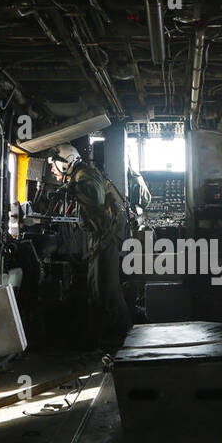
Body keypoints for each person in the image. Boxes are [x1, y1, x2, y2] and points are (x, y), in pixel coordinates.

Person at [48, 139, 132, 344]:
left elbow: (96, 196)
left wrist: (71, 189)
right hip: (102, 236)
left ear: (66, 162)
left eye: (54, 165)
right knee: (98, 287)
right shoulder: (80, 175)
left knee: (106, 289)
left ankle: (121, 338)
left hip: (108, 236)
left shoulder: (85, 175)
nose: (52, 170)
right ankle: (112, 337)